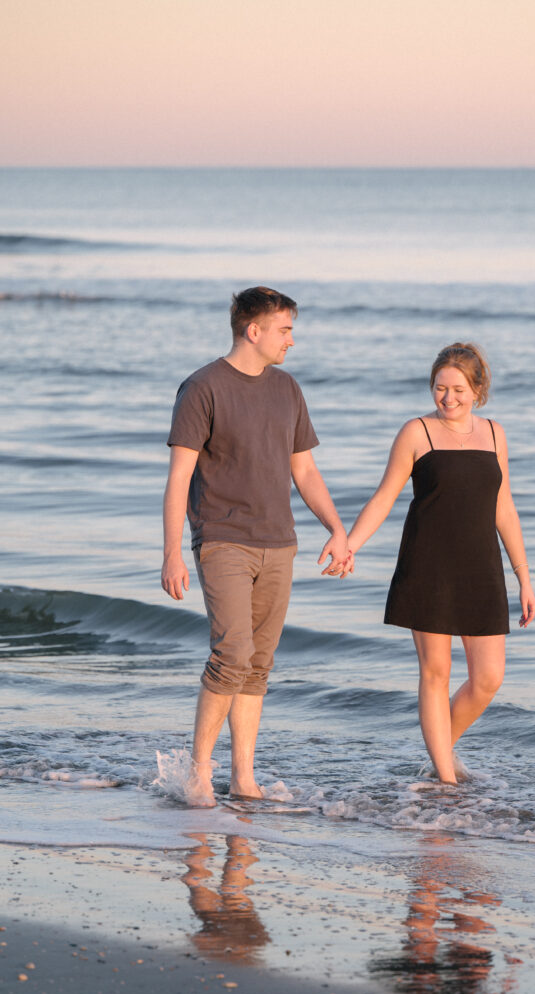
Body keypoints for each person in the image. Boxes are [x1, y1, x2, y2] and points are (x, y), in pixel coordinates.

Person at [161, 286, 349, 806]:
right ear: (254, 330)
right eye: (285, 329)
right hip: (222, 539)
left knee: (258, 662)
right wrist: (172, 551)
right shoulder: (202, 387)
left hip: (279, 543)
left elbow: (304, 470)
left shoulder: (287, 389)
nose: (292, 339)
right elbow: (179, 477)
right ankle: (199, 774)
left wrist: (337, 528)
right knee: (231, 652)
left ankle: (243, 776)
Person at [346, 343, 535, 784]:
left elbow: (503, 507)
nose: (448, 398)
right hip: (427, 563)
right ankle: (446, 781)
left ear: (478, 390)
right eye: (439, 388)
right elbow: (384, 496)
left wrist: (524, 578)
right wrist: (351, 544)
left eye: (458, 389)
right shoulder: (417, 432)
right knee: (435, 672)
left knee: (488, 678)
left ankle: (438, 756)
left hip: (481, 567)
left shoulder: (494, 434)